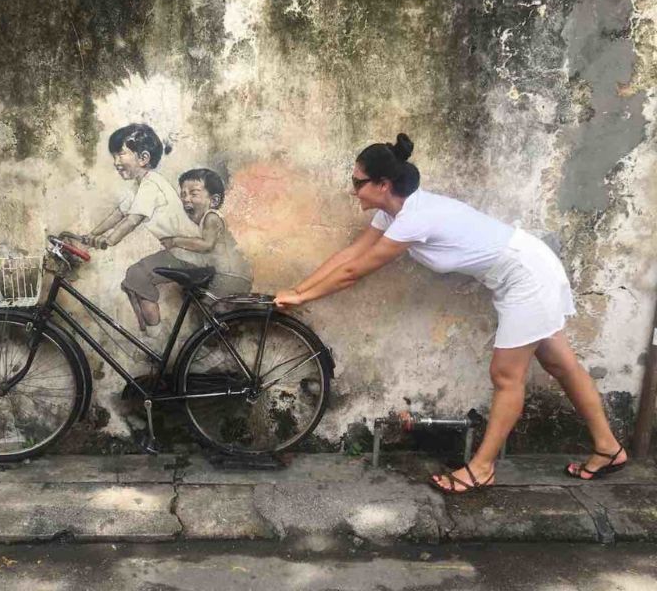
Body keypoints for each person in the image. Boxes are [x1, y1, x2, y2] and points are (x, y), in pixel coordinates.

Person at [274, 133, 627, 494]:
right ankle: (608, 448)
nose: (353, 191)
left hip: (527, 275)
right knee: (560, 364)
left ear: (383, 184)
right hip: (519, 272)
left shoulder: (415, 218)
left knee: (506, 375)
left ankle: (482, 467)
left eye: (357, 182)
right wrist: (299, 291)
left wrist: (303, 298)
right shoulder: (393, 212)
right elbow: (350, 255)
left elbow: (354, 273)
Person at [86, 123, 200, 338]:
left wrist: (108, 241)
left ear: (143, 158)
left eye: (121, 154)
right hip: (179, 251)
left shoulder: (151, 185)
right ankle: (147, 333)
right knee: (131, 282)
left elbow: (132, 221)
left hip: (189, 252)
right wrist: (91, 235)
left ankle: (156, 340)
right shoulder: (139, 186)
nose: (116, 162)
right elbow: (118, 214)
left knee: (137, 276)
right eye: (114, 156)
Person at [161, 168, 253, 300]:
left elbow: (206, 244)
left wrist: (175, 241)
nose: (186, 199)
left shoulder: (211, 217)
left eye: (194, 194)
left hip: (230, 275)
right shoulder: (203, 221)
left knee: (209, 308)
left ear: (214, 201)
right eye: (183, 194)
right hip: (229, 274)